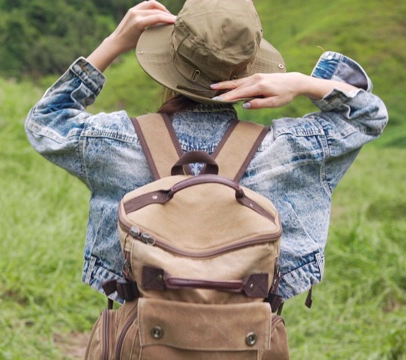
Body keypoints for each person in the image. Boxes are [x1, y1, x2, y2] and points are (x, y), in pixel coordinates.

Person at [25, 0, 388, 304]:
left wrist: (114, 42)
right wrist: (301, 82)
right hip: (242, 343)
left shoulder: (118, 140)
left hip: (144, 341)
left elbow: (46, 121)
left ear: (167, 61)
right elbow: (367, 116)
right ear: (251, 67)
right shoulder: (289, 150)